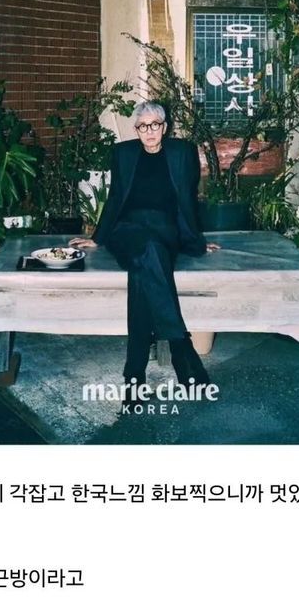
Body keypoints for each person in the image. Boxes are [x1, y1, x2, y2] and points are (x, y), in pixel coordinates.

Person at [69, 101, 220, 397]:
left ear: (164, 127)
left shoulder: (181, 153)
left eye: (155, 125)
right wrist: (98, 237)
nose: (149, 131)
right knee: (149, 253)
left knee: (143, 268)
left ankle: (134, 374)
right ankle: (181, 348)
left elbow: (187, 200)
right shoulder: (123, 154)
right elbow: (115, 198)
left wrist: (196, 241)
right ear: (136, 129)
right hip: (127, 230)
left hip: (164, 230)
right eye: (142, 126)